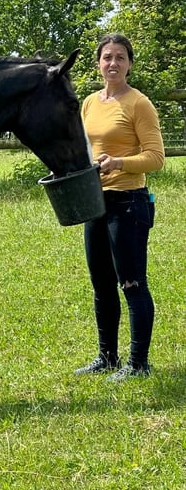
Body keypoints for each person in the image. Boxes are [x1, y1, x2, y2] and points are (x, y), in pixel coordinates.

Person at [74, 33, 165, 382]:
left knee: (132, 283)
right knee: (101, 284)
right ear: (98, 63)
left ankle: (138, 363)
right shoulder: (89, 103)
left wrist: (119, 163)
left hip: (128, 203)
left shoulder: (139, 104)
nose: (113, 63)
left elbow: (155, 158)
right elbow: (84, 149)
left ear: (129, 64)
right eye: (107, 57)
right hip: (94, 203)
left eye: (120, 57)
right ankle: (107, 357)